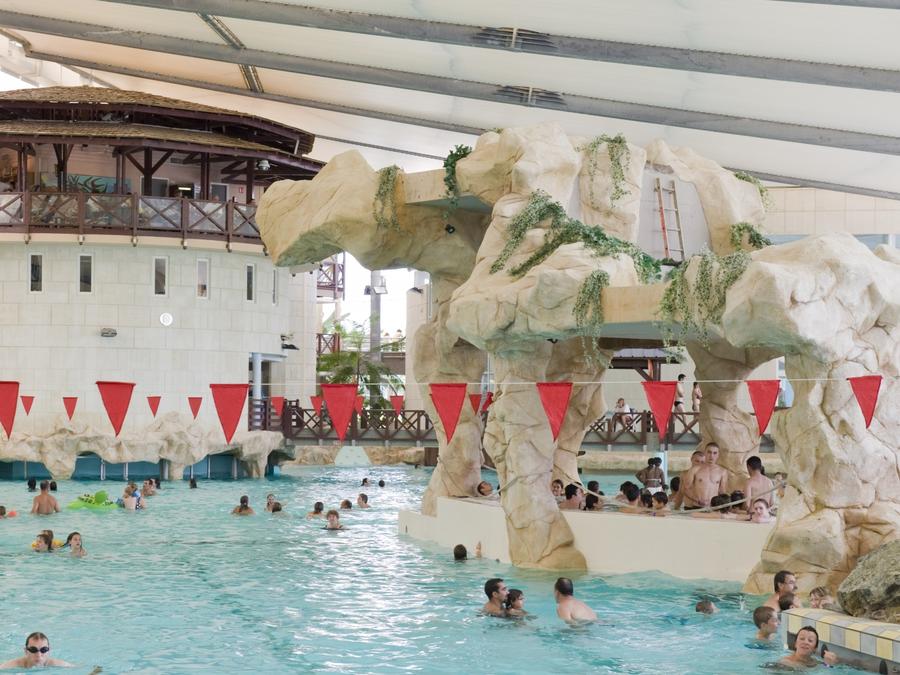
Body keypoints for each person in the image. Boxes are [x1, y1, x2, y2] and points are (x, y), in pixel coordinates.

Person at [681, 443, 728, 509]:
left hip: (714, 507)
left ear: (718, 455)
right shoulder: (695, 469)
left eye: (715, 453)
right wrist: (697, 500)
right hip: (697, 506)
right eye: (709, 452)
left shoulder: (722, 471)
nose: (711, 456)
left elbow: (722, 492)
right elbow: (685, 489)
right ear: (705, 453)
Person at [0, 632, 73, 669]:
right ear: (26, 651)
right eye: (33, 650)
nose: (38, 655)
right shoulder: (13, 665)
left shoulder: (58, 664)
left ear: (49, 650)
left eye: (43, 650)